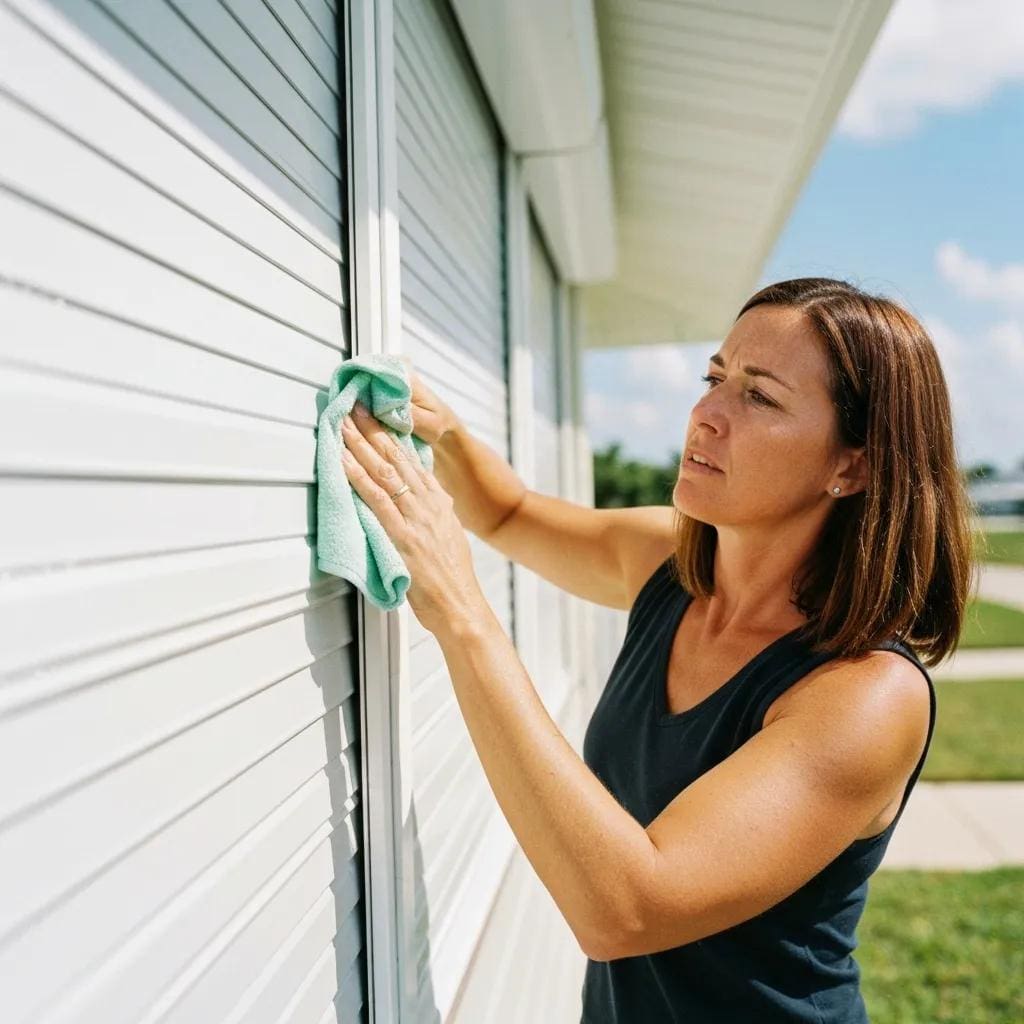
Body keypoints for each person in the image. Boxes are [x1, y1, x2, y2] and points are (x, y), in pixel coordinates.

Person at [339, 278, 976, 1023]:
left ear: (852, 467)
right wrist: (441, 433)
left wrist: (462, 612)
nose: (705, 415)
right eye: (715, 378)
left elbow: (626, 909)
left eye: (759, 398)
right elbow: (509, 514)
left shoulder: (865, 695)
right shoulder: (671, 569)